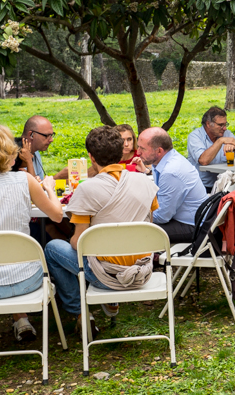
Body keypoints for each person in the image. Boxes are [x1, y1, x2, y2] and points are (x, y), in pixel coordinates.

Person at [45, 126, 160, 333]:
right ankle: (104, 305)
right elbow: (147, 225)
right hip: (143, 271)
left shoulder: (87, 189)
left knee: (53, 248)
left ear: (91, 157)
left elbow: (80, 243)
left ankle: (80, 311)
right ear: (121, 151)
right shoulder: (146, 182)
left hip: (107, 275)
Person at [0, 122, 63, 342]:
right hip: (26, 280)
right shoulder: (25, 180)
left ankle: (19, 319)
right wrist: (49, 188)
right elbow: (57, 216)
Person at [134, 128, 207, 243]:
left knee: (135, 231)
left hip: (193, 226)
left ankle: (146, 260)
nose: (138, 152)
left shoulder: (171, 172)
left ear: (159, 151)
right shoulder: (162, 160)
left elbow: (162, 217)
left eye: (142, 148)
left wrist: (134, 215)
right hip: (187, 218)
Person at [187, 106, 235, 192]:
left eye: (225, 124)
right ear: (208, 124)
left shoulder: (226, 133)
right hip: (203, 187)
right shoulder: (195, 136)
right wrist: (220, 141)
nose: (225, 128)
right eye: (220, 125)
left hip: (226, 185)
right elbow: (203, 160)